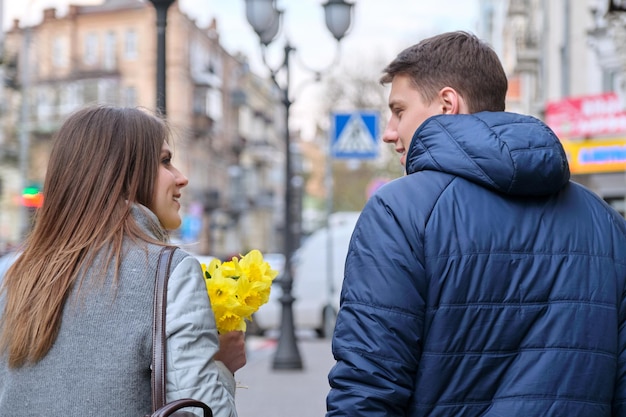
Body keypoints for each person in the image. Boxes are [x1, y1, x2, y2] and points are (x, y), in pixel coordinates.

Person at [326, 31, 626, 416]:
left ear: (447, 103)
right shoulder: (605, 223)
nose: (389, 132)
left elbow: (368, 387)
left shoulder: (400, 211)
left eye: (399, 110)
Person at [0, 105, 246, 417]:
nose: (181, 178)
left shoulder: (15, 273)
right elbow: (204, 411)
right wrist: (221, 365)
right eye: (165, 161)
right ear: (124, 175)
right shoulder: (168, 271)